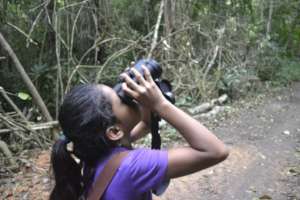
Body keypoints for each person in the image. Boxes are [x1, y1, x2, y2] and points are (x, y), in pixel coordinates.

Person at [49, 66, 229, 200]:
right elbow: (215, 151)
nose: (125, 95)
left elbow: (146, 124)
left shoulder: (94, 154)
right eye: (120, 98)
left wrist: (146, 100)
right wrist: (160, 104)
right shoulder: (131, 167)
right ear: (114, 131)